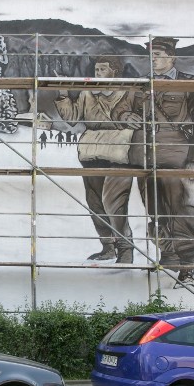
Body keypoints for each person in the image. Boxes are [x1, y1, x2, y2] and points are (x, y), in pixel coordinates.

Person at [113, 37, 194, 289]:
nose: (154, 58)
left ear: (172, 57)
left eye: (158, 53)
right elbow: (119, 109)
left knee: (183, 212)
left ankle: (188, 268)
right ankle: (169, 258)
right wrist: (125, 115)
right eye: (151, 54)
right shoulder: (139, 85)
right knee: (155, 212)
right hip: (145, 160)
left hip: (178, 159)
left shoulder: (189, 84)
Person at [54, 56, 136, 262]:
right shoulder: (87, 93)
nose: (97, 72)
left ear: (114, 71)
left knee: (114, 204)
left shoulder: (128, 93)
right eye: (96, 69)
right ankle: (108, 246)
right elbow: (72, 118)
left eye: (102, 69)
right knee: (96, 204)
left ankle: (126, 248)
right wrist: (63, 92)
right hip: (90, 153)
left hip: (119, 153)